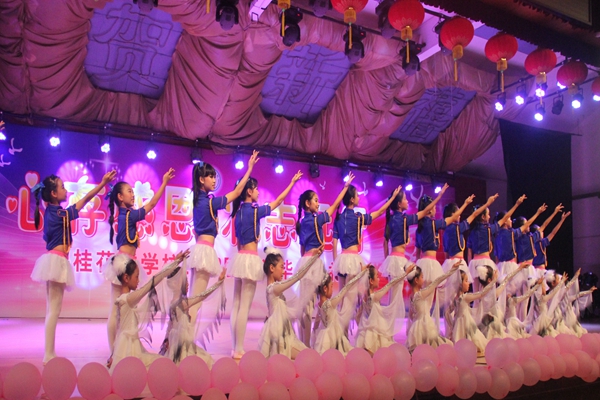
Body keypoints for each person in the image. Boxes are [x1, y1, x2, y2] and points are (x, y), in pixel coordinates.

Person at [31, 170, 116, 364]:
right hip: (56, 260)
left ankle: (49, 352)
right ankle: (48, 353)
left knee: (52, 310)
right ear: (53, 194)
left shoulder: (51, 212)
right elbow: (84, 200)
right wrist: (102, 184)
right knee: (54, 310)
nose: (65, 190)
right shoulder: (58, 213)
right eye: (62, 187)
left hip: (54, 259)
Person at [228, 170, 303, 359]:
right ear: (249, 191)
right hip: (250, 258)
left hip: (240, 257)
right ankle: (239, 349)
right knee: (244, 306)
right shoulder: (254, 211)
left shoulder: (237, 213)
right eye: (256, 189)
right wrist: (292, 182)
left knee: (236, 304)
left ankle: (235, 347)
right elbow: (278, 201)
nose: (258, 192)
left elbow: (237, 243)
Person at [104, 168, 175, 365]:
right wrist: (164, 182)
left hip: (126, 261)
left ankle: (118, 350)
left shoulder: (125, 215)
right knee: (117, 309)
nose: (132, 194)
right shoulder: (128, 215)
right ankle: (114, 351)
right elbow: (151, 205)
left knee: (120, 309)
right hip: (123, 262)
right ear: (120, 197)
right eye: (129, 191)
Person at [187, 151, 259, 325]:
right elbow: (237, 192)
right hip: (204, 250)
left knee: (193, 298)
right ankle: (185, 337)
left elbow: (196, 231)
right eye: (210, 176)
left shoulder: (198, 202)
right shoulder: (208, 202)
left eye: (214, 176)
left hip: (199, 249)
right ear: (201, 180)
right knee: (196, 301)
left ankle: (183, 336)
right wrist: (249, 169)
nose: (214, 180)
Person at [294, 173, 355, 346]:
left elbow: (302, 249)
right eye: (315, 200)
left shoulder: (302, 223)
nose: (318, 203)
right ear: (307, 204)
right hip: (313, 263)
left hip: (307, 262)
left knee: (310, 306)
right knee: (313, 306)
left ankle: (307, 342)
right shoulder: (315, 220)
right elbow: (334, 206)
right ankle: (307, 344)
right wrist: (345, 188)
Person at [110, 250, 190, 371]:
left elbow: (119, 328)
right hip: (130, 348)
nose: (138, 280)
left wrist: (113, 354)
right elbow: (153, 281)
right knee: (159, 364)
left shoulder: (121, 299)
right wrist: (175, 263)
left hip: (124, 347)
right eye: (136, 277)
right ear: (126, 278)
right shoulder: (129, 299)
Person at [380, 184, 448, 309]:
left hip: (393, 259)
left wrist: (386, 260)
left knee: (394, 295)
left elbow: (384, 242)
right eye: (405, 199)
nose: (407, 201)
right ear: (399, 204)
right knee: (396, 296)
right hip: (398, 260)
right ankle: (392, 319)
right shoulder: (404, 219)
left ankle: (394, 318)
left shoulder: (392, 219)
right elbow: (425, 212)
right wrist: (439, 196)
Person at [258, 246, 324, 358]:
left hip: (285, 335)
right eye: (281, 267)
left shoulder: (273, 289)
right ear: (272, 268)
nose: (283, 271)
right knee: (309, 356)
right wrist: (313, 259)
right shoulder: (273, 289)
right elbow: (297, 277)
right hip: (281, 338)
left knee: (309, 355)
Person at [160, 266, 226, 367]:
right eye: (185, 281)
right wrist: (217, 283)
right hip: (181, 345)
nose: (187, 284)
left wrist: (167, 339)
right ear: (175, 284)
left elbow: (170, 325)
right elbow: (201, 296)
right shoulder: (181, 303)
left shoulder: (173, 302)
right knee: (204, 360)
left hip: (178, 343)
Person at [355, 263, 415, 354]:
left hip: (366, 330)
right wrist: (405, 273)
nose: (379, 279)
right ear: (371, 281)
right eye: (377, 276)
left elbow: (357, 316)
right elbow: (391, 283)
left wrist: (362, 272)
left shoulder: (364, 297)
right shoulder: (374, 297)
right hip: (375, 329)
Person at [313, 266, 369, 355]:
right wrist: (361, 274)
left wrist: (314, 334)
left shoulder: (319, 304)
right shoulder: (331, 303)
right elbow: (346, 287)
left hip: (323, 336)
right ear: (325, 289)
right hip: (333, 335)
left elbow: (316, 322)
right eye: (331, 286)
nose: (332, 289)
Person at [405, 262, 460, 351]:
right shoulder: (420, 295)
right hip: (425, 327)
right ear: (416, 280)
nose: (423, 280)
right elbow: (436, 281)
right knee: (447, 345)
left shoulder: (411, 296)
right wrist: (452, 270)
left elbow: (411, 315)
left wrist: (417, 321)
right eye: (422, 277)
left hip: (416, 328)